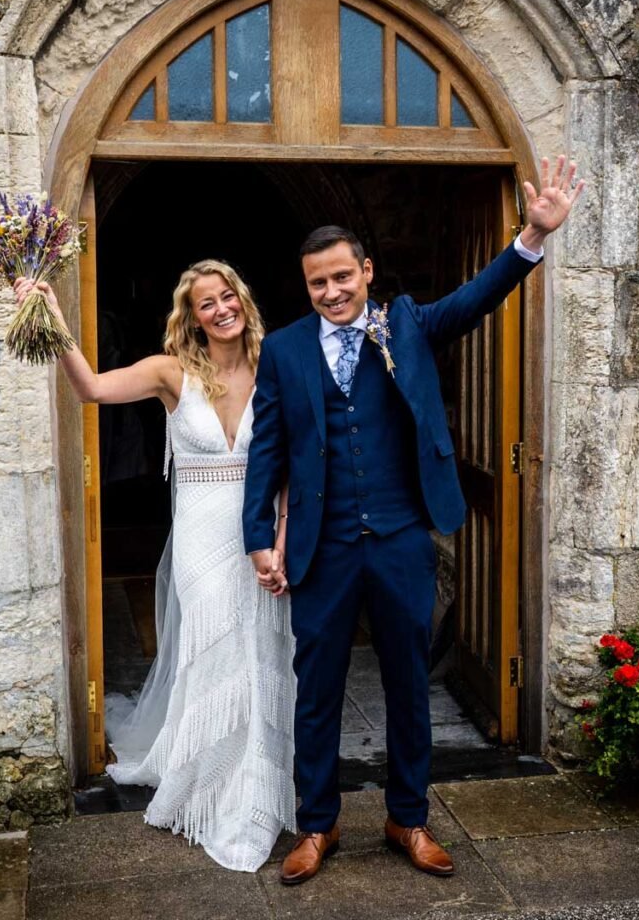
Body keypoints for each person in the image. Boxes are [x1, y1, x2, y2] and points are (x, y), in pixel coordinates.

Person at [242, 155, 585, 884]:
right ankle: (317, 826)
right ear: (306, 289)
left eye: (341, 276)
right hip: (322, 548)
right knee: (319, 691)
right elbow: (267, 451)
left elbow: (474, 300)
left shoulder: (407, 325)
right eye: (317, 283)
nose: (331, 291)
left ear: (365, 272)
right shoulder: (283, 351)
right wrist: (256, 542)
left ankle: (408, 818)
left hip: (400, 539)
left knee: (407, 684)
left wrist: (531, 237)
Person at [14, 260, 295, 872]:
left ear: (242, 300)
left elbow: (292, 462)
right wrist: (52, 312)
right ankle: (205, 782)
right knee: (213, 649)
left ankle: (252, 792)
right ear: (190, 316)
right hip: (199, 537)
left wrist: (282, 536)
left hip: (259, 535)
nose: (221, 309)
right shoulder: (171, 373)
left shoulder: (276, 365)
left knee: (259, 653)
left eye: (228, 297)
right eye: (206, 303)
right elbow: (89, 388)